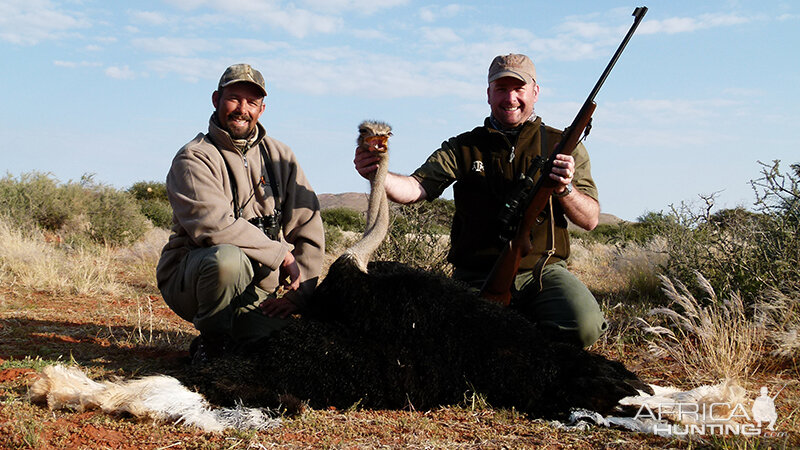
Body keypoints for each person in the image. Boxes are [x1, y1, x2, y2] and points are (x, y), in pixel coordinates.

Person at [354, 54, 606, 347]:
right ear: (488, 94)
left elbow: (589, 219)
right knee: (445, 338)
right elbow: (415, 188)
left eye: (518, 88)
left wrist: (565, 189)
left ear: (535, 92)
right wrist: (378, 173)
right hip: (475, 276)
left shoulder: (564, 145)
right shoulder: (463, 146)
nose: (510, 98)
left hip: (543, 272)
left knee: (584, 326)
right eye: (501, 89)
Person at [157, 63, 325, 362]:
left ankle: (240, 332)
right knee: (228, 260)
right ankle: (213, 343)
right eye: (234, 98)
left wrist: (299, 296)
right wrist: (282, 256)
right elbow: (214, 225)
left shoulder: (281, 156)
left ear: (262, 109)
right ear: (216, 100)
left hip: (259, 288)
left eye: (252, 102)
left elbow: (308, 223)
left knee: (288, 346)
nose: (242, 109)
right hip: (195, 280)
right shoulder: (193, 157)